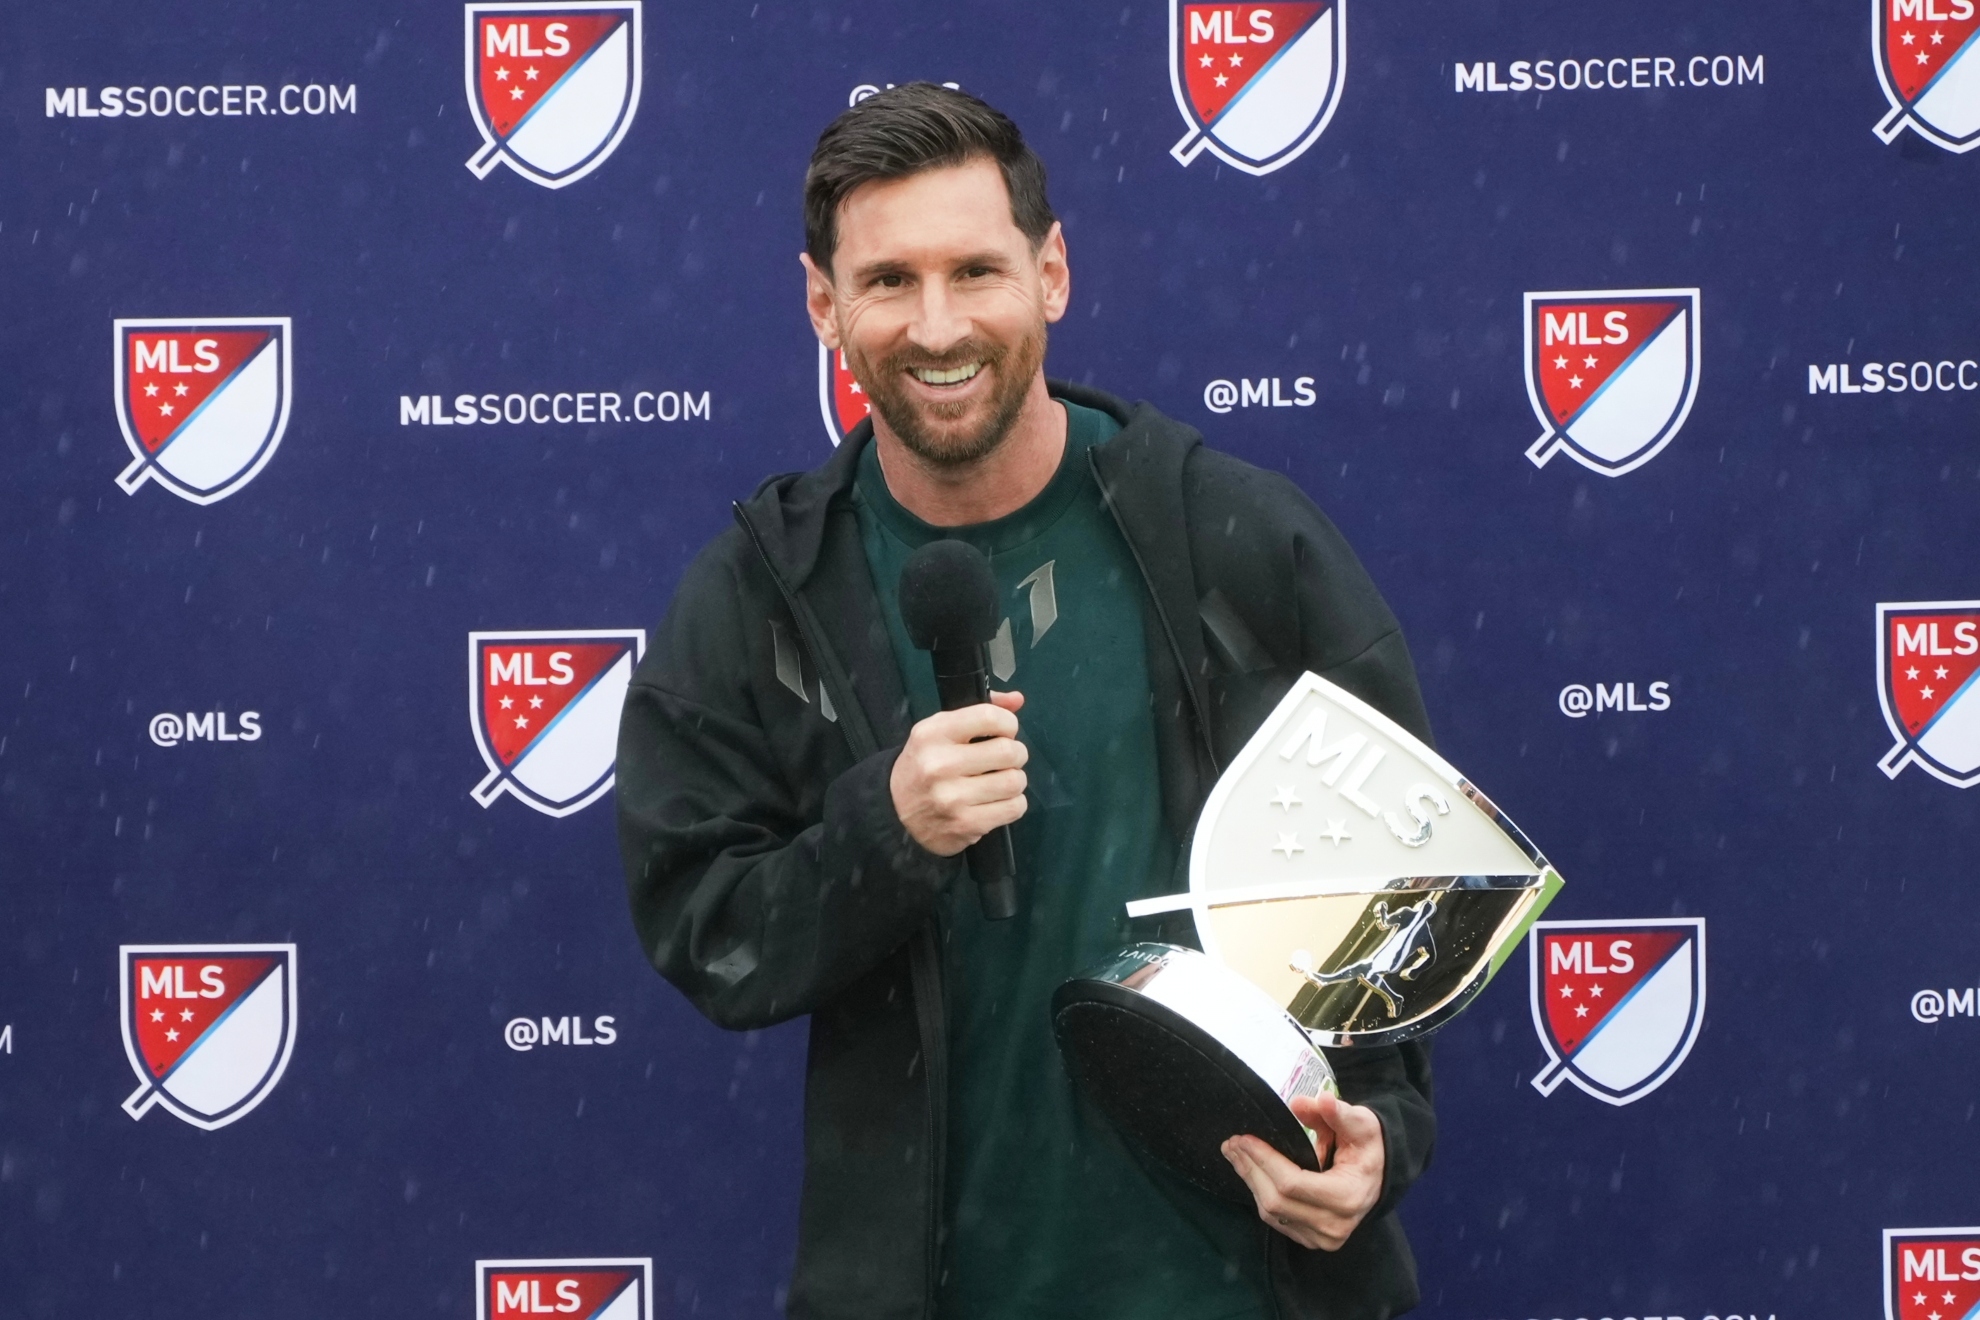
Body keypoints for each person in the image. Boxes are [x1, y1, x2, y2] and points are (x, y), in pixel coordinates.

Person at [616, 83, 1436, 1320]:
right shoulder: (762, 594)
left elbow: (1396, 899)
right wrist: (882, 834)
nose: (937, 325)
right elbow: (706, 928)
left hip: (1236, 1293)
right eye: (888, 281)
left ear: (1052, 273)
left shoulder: (1240, 542)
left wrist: (1380, 1138)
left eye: (976, 271)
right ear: (822, 305)